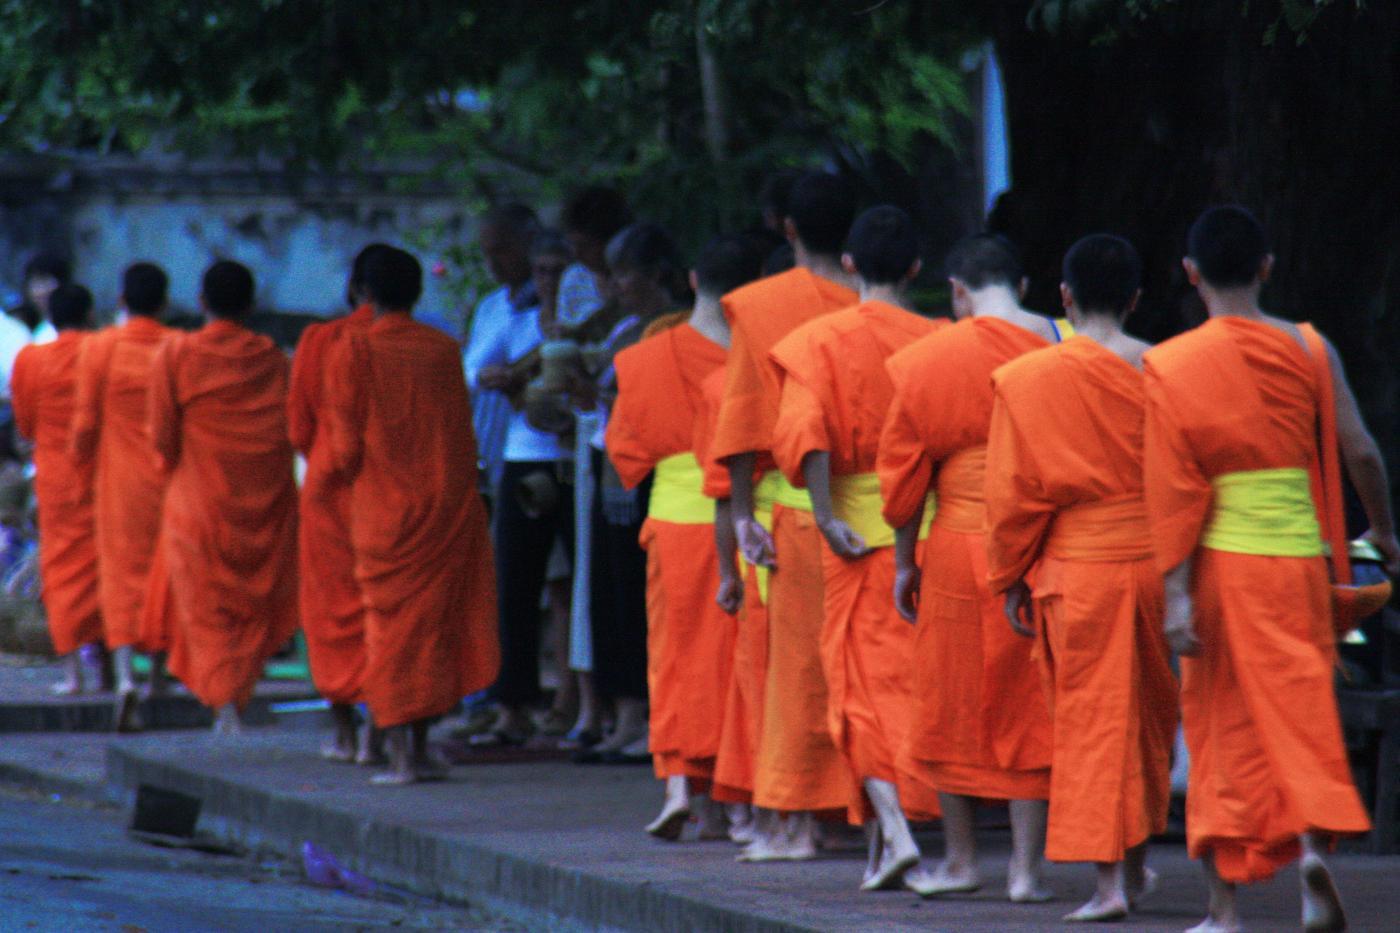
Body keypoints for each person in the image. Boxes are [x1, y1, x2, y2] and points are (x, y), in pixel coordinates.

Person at [1143, 206, 1396, 933]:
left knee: (1220, 730)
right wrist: (1382, 530)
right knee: (1301, 716)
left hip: (1220, 567)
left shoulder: (1173, 363)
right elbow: (1364, 452)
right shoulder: (1311, 347)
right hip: (1297, 564)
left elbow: (1173, 490)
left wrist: (1176, 592)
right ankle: (1315, 852)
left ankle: (1224, 912)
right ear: (1267, 266)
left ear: (1191, 275)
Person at [985, 234, 1177, 921]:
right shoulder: (1166, 368)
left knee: (1094, 727)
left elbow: (1012, 495)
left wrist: (1009, 577)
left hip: (1080, 574)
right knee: (1145, 724)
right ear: (1134, 299)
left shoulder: (1030, 378)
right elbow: (1190, 480)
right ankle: (1133, 864)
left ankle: (1109, 886)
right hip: (1155, 566)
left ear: (1062, 297)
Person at [877, 233, 1061, 901]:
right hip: (1040, 539)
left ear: (956, 289)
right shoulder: (1062, 344)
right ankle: (1026, 870)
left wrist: (904, 563)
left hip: (956, 540)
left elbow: (901, 478)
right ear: (1025, 282)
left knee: (949, 698)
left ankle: (960, 861)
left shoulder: (928, 357)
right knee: (1029, 700)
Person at [768, 206, 943, 890]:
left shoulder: (818, 341)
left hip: (851, 534)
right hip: (926, 529)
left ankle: (894, 828)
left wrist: (822, 514)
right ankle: (883, 839)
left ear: (848, 265)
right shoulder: (937, 339)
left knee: (858, 686)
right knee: (906, 683)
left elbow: (806, 433)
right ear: (917, 269)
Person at [711, 171, 859, 861]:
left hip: (795, 510)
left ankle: (798, 823)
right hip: (880, 514)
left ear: (788, 229)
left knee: (795, 668)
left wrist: (743, 514)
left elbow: (744, 421)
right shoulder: (875, 303)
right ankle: (845, 814)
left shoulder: (759, 306)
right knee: (855, 665)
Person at [324, 246, 500, 784]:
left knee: (392, 635)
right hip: (444, 505)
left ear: (362, 293)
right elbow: (459, 432)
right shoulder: (443, 349)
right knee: (432, 633)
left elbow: (345, 447)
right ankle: (417, 749)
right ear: (418, 293)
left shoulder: (352, 350)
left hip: (382, 513)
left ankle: (401, 756)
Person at [605, 233, 761, 840]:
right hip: (748, 523)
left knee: (674, 658)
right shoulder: (760, 357)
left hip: (673, 522)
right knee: (736, 663)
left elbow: (625, 453)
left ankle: (678, 784)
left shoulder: (646, 358)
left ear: (693, 279)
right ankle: (737, 802)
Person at [148, 261, 299, 735]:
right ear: (252, 305)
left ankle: (225, 702)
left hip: (199, 500)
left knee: (206, 606)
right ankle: (232, 695)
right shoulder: (274, 360)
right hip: (263, 500)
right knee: (250, 605)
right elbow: (289, 433)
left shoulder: (176, 355)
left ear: (201, 303)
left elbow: (163, 438)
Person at [572, 222, 686, 763]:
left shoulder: (673, 328)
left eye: (624, 273)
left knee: (638, 596)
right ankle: (625, 715)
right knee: (609, 595)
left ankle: (647, 715)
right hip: (607, 456)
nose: (615, 285)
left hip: (642, 468)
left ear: (657, 275)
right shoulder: (624, 330)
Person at [464, 206, 573, 748]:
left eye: (555, 270)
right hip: (510, 456)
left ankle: (576, 702)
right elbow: (471, 372)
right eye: (541, 269)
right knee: (515, 588)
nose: (494, 262)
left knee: (568, 589)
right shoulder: (494, 308)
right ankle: (513, 703)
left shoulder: (584, 313)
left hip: (570, 460)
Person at [288, 243, 391, 763]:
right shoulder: (422, 344)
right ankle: (380, 723)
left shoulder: (322, 340)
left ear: (356, 289)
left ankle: (345, 730)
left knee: (332, 612)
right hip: (395, 490)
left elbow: (299, 427)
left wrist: (325, 458)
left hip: (331, 488)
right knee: (386, 607)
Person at [70, 262, 174, 729]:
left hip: (120, 479)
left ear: (120, 301)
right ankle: (157, 676)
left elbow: (86, 422)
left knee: (121, 573)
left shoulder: (100, 348)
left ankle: (127, 675)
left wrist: (76, 463)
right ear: (165, 302)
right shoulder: (176, 347)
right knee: (162, 571)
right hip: (169, 475)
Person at [11, 283, 101, 695]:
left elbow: (25, 424)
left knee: (64, 574)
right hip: (106, 476)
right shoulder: (106, 352)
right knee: (109, 571)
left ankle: (73, 676)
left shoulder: (32, 359)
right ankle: (119, 675)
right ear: (89, 315)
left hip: (56, 477)